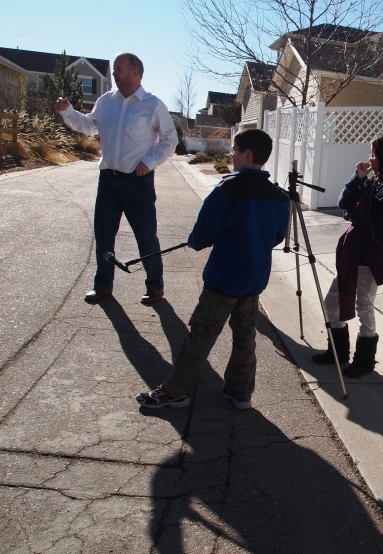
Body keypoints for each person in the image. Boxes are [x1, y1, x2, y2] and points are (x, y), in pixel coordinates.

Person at [135, 129, 289, 410]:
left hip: (222, 280)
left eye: (235, 149)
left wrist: (199, 242)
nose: (231, 154)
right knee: (245, 337)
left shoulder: (227, 190)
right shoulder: (280, 197)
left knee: (201, 336)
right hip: (254, 281)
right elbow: (278, 236)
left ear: (248, 154)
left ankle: (176, 392)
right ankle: (240, 393)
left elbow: (201, 235)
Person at [55, 53, 177, 305]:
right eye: (115, 70)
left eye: (119, 69)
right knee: (104, 234)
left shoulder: (153, 105)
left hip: (138, 182)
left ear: (136, 72)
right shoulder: (106, 101)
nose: (115, 73)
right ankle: (103, 286)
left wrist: (149, 161)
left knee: (146, 236)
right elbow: (89, 126)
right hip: (108, 181)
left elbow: (170, 140)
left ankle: (155, 287)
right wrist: (68, 112)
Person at [311, 135, 383, 378]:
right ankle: (338, 351)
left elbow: (373, 220)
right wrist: (357, 178)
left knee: (364, 306)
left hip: (372, 258)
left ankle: (365, 360)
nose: (370, 159)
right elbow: (344, 203)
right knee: (332, 301)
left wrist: (356, 212)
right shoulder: (371, 182)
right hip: (352, 253)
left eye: (375, 155)